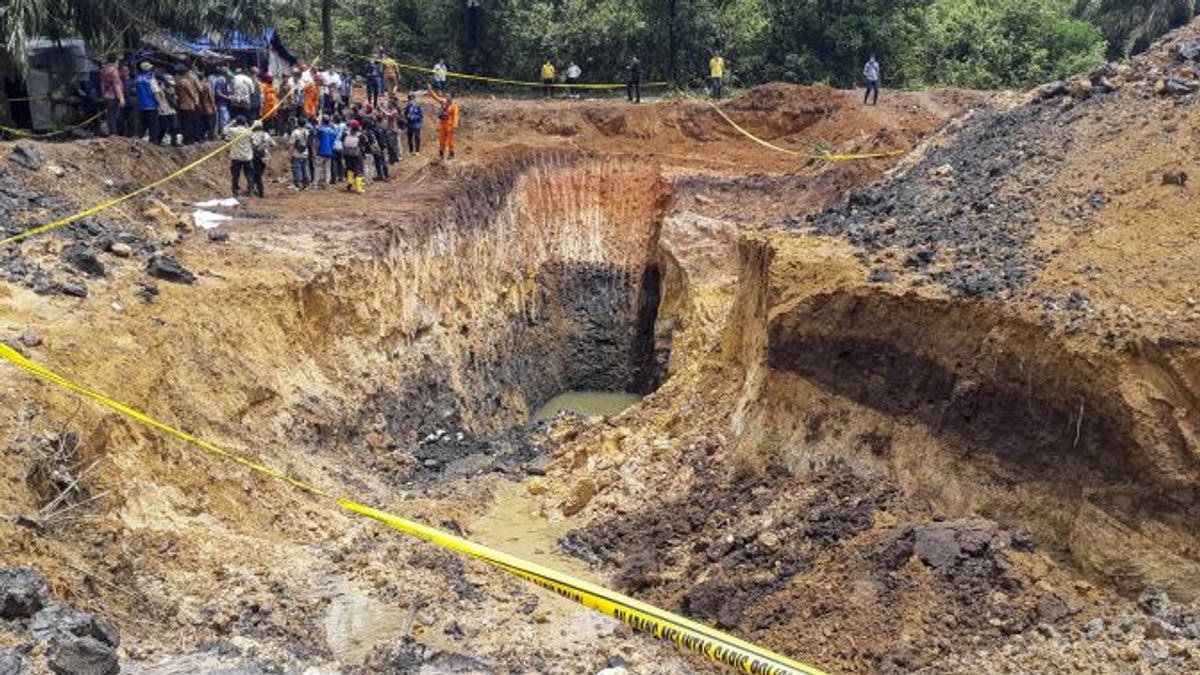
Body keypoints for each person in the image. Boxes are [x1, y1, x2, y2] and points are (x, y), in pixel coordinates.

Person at [224, 116, 253, 196]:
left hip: (236, 157)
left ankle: (235, 191)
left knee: (235, 175)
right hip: (247, 157)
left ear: (236, 123)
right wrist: (247, 126)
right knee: (249, 175)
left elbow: (224, 130)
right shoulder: (249, 131)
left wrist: (231, 123)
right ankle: (250, 190)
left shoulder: (233, 130)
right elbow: (253, 139)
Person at [428, 85, 459, 160]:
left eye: (448, 96)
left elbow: (455, 116)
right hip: (443, 124)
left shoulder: (454, 106)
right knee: (442, 140)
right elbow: (436, 98)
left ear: (452, 97)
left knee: (450, 141)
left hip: (450, 125)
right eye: (446, 96)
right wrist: (430, 90)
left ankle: (451, 154)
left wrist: (454, 125)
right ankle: (441, 154)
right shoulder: (444, 102)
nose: (446, 97)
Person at [175, 65, 202, 145]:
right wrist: (195, 102)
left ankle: (185, 139)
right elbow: (192, 92)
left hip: (181, 104)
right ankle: (189, 140)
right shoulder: (186, 81)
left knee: (184, 123)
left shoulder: (177, 80)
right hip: (189, 104)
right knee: (190, 123)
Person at [152, 67, 179, 146]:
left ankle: (174, 141)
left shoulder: (170, 85)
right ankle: (158, 142)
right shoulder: (159, 85)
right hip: (163, 108)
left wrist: (173, 95)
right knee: (163, 127)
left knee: (174, 126)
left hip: (171, 108)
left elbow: (173, 95)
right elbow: (158, 97)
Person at [249, 120, 275, 197]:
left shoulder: (251, 135)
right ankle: (258, 190)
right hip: (264, 157)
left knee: (254, 174)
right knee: (259, 174)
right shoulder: (265, 135)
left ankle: (255, 190)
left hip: (253, 156)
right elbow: (273, 144)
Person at [100, 53, 124, 136]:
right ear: (116, 61)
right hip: (113, 96)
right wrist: (121, 98)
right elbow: (116, 85)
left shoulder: (104, 70)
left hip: (106, 96)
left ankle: (111, 133)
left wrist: (103, 94)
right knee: (114, 116)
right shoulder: (114, 70)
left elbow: (102, 84)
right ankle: (113, 134)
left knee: (110, 116)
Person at [135, 62, 159, 142]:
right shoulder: (151, 78)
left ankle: (137, 140)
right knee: (153, 126)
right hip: (151, 105)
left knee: (142, 125)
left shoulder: (138, 78)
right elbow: (156, 92)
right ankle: (153, 143)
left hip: (141, 106)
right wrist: (159, 103)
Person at [342, 119, 365, 194]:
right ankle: (359, 189)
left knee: (350, 169)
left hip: (347, 154)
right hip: (357, 155)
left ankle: (350, 183)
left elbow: (342, 140)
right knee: (359, 171)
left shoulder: (346, 133)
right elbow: (363, 144)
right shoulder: (360, 135)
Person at [315, 115, 338, 188]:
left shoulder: (320, 130)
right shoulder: (333, 131)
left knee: (318, 167)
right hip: (329, 151)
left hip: (321, 151)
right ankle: (326, 183)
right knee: (327, 168)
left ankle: (316, 183)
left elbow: (317, 140)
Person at [289, 118, 311, 190]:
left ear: (297, 123)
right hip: (305, 152)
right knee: (305, 169)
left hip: (296, 153)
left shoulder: (295, 132)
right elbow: (309, 142)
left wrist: (290, 153)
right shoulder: (307, 132)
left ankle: (298, 185)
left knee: (297, 169)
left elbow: (292, 144)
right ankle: (306, 184)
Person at [121, 64, 139, 137]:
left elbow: (134, 91)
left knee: (132, 121)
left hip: (132, 104)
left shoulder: (133, 81)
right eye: (123, 71)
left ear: (128, 71)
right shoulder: (118, 81)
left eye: (126, 71)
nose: (124, 72)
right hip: (122, 104)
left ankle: (132, 135)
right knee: (122, 121)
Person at [212, 70, 231, 136]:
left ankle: (224, 131)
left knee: (225, 117)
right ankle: (223, 132)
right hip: (221, 102)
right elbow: (218, 92)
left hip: (224, 101)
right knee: (223, 117)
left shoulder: (224, 81)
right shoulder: (219, 81)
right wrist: (227, 97)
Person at [199, 72, 217, 140]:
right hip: (208, 106)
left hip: (200, 107)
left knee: (202, 123)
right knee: (211, 122)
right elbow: (211, 96)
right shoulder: (207, 85)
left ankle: (202, 136)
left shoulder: (198, 85)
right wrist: (214, 106)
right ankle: (211, 136)